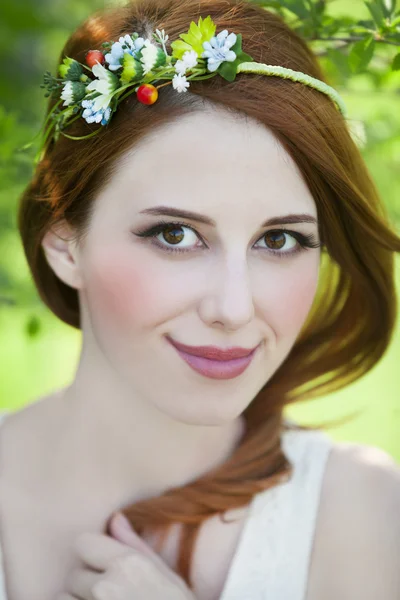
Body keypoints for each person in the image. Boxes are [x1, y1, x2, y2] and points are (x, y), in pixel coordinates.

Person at [1, 0, 400, 598]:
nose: (234, 308)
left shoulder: (361, 512)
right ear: (65, 244)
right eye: (175, 235)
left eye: (279, 239)